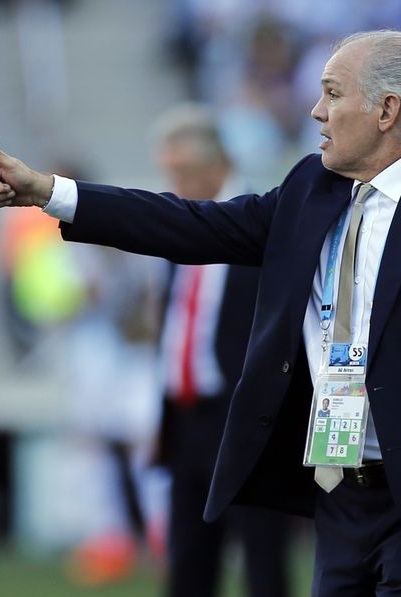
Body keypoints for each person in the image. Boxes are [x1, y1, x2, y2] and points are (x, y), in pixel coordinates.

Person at [0, 30, 401, 596]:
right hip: (339, 492)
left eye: (333, 94)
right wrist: (50, 192)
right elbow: (191, 224)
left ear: (387, 111)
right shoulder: (310, 189)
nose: (316, 111)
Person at [152, 105, 292, 597]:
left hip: (244, 418)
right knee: (189, 562)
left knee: (261, 560)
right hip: (186, 416)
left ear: (218, 163)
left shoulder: (259, 223)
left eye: (184, 171)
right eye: (170, 171)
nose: (176, 182)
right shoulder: (181, 223)